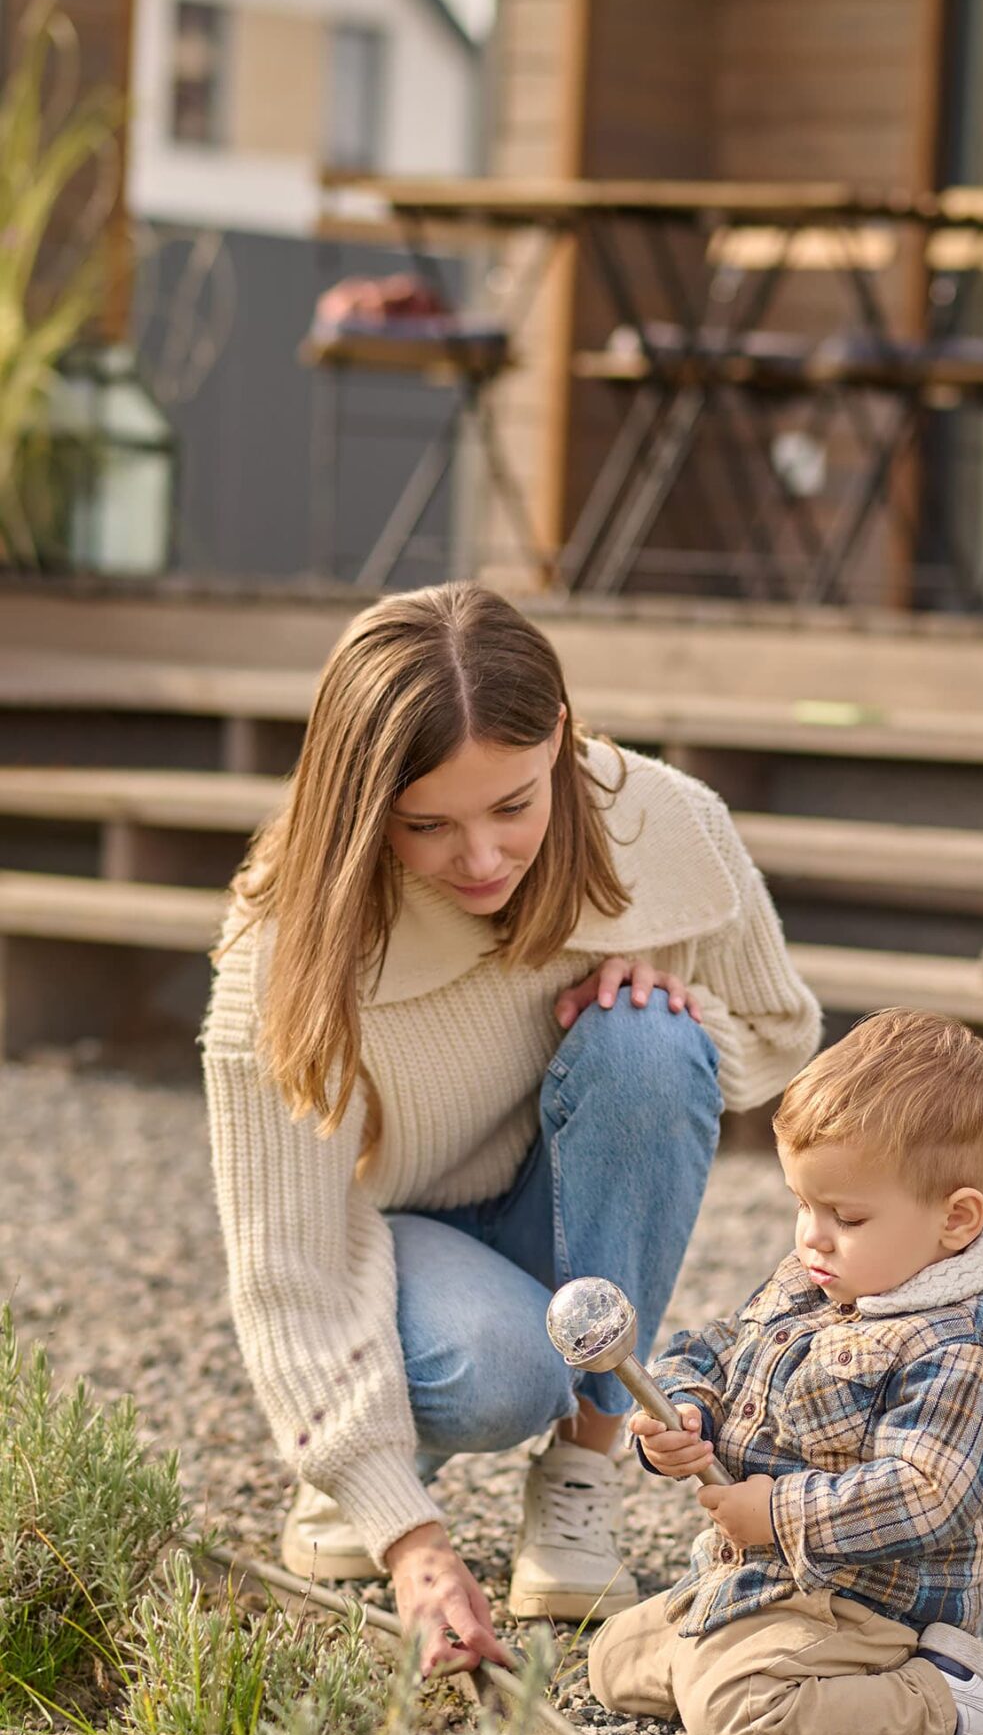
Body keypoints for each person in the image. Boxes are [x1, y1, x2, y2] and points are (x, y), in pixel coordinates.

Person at [202, 581, 820, 1675]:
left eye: (514, 806)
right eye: (427, 823)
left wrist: (674, 1000)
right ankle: (354, 1464)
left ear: (562, 747)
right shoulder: (285, 937)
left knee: (647, 1043)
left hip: (559, 1205)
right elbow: (285, 1267)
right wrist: (412, 1543)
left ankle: (580, 1474)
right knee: (499, 1371)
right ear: (361, 802)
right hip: (390, 1245)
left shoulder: (661, 820)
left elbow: (778, 1033)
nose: (482, 858)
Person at [585, 1009, 983, 1735]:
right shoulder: (814, 1281)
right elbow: (716, 1347)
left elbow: (925, 1492)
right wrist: (686, 1409)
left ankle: (949, 1696)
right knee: (612, 1662)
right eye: (803, 1205)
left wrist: (777, 1510)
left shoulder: (955, 1348)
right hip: (757, 1575)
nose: (812, 1236)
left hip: (866, 1604)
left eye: (847, 1215)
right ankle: (742, 1656)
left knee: (733, 1720)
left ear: (955, 1219)